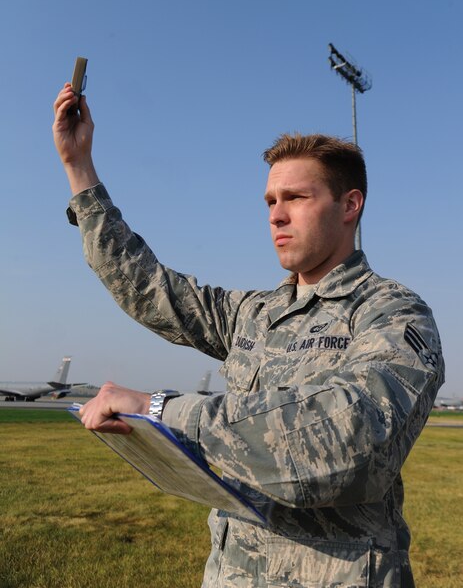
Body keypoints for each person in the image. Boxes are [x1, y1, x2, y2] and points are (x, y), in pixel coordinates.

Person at [53, 82, 444, 588]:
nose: (276, 215)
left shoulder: (392, 314)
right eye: (270, 201)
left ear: (350, 205)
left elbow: (352, 443)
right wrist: (78, 168)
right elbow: (147, 287)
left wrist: (159, 410)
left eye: (296, 198)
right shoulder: (253, 313)